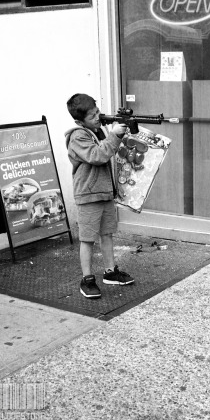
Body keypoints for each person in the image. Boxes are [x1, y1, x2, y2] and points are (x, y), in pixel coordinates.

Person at [65, 93, 135, 299]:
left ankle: (110, 271)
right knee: (87, 239)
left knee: (107, 233)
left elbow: (110, 151)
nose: (98, 117)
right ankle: (87, 279)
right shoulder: (78, 136)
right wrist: (114, 135)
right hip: (88, 194)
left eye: (97, 112)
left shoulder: (98, 130)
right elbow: (97, 156)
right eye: (92, 116)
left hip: (104, 192)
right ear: (80, 120)